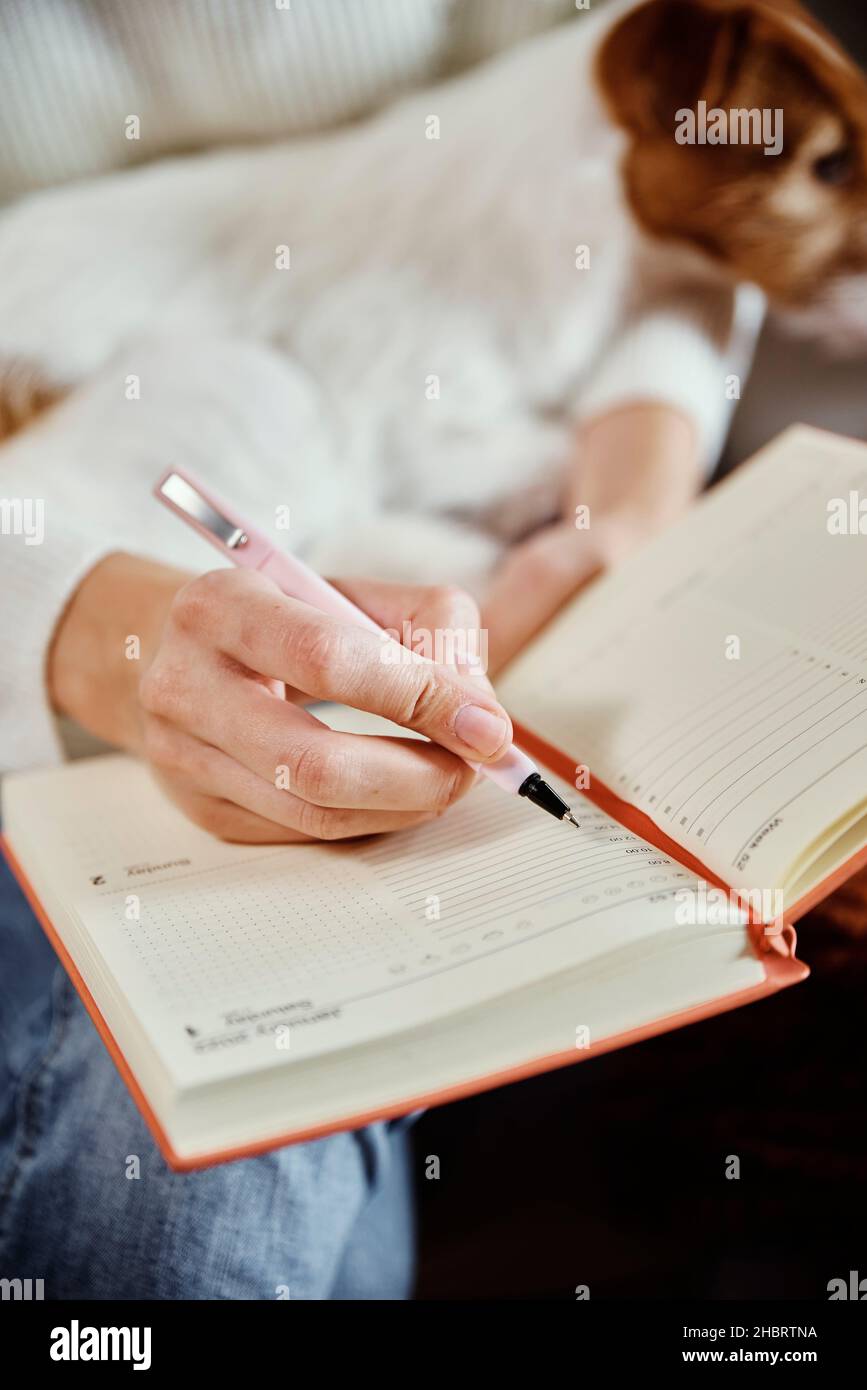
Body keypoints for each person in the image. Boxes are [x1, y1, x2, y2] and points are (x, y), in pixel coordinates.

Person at [0, 0, 747, 1299]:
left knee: (228, 1129)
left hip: (427, 555)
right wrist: (87, 627)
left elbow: (680, 210)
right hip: (52, 549)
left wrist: (629, 496)